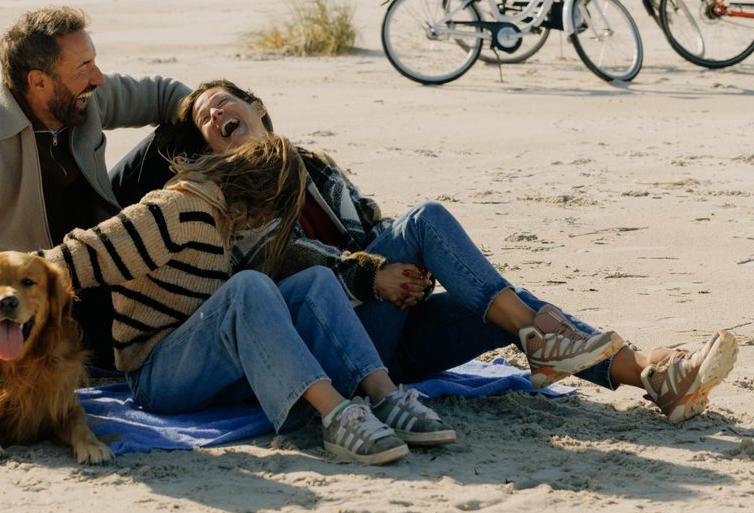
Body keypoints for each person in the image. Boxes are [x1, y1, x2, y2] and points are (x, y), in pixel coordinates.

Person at [107, 79, 737, 425]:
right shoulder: (228, 199)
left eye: (224, 100)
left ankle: (653, 375)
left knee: (505, 307)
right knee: (429, 219)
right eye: (202, 118)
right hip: (334, 337)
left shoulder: (317, 168)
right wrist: (373, 274)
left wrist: (409, 275)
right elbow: (270, 272)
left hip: (394, 330)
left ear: (260, 108)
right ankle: (555, 343)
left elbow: (371, 224)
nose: (213, 111)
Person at [41, 135, 457, 466]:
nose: (266, 224)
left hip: (200, 364)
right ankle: (337, 416)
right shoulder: (176, 209)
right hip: (155, 375)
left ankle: (383, 394)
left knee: (316, 281)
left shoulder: (222, 223)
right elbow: (82, 256)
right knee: (249, 288)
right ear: (259, 196)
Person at [0, 6, 190, 364]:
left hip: (100, 254)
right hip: (39, 295)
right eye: (83, 68)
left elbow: (165, 94)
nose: (97, 78)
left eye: (93, 62)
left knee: (187, 132)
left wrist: (234, 115)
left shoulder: (84, 97)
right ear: (39, 82)